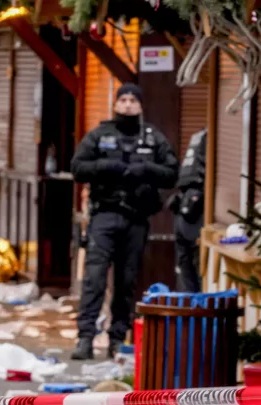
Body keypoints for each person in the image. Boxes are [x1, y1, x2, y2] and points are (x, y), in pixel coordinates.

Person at [70, 82, 179, 360]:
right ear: (115, 104)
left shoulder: (153, 137)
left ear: (141, 105)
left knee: (126, 280)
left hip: (136, 217)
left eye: (133, 99)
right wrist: (106, 167)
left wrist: (146, 171)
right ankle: (85, 337)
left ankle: (118, 337)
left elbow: (171, 173)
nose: (128, 104)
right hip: (105, 215)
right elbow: (77, 167)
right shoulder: (100, 134)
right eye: (123, 99)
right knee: (94, 278)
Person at [171, 127, 207, 293]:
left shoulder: (199, 135)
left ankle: (193, 307)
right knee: (193, 266)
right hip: (195, 210)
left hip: (187, 206)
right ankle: (195, 308)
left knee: (187, 265)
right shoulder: (210, 136)